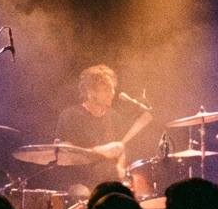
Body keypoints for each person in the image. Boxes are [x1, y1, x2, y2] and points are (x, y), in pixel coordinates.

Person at [55, 64, 152, 197]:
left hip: (108, 182)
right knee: (82, 193)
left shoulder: (114, 117)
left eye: (112, 88)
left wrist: (121, 167)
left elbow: (120, 149)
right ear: (90, 92)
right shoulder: (70, 116)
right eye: (106, 89)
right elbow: (63, 154)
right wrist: (99, 151)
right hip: (81, 182)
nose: (112, 93)